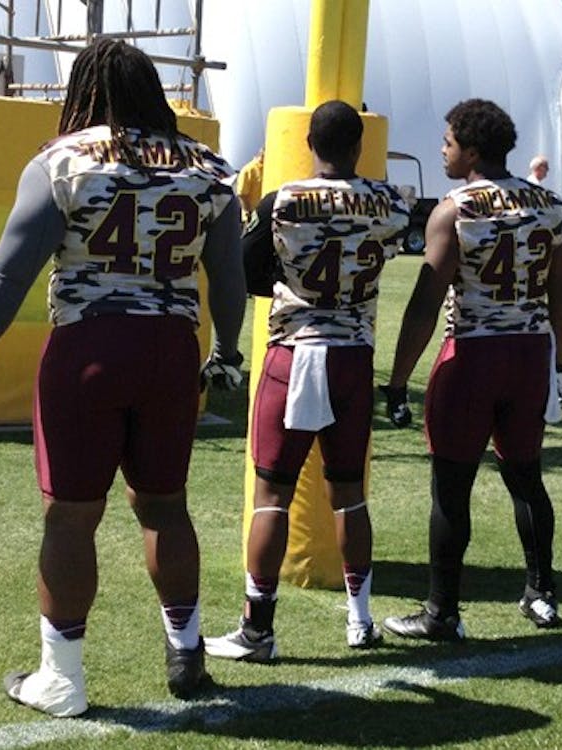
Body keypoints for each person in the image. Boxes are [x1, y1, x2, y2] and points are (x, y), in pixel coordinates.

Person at [0, 39, 247, 716]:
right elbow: (228, 277)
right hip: (171, 348)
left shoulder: (63, 160)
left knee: (71, 514)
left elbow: (6, 274)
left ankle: (63, 677)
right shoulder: (208, 167)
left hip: (90, 348)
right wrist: (227, 351)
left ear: (84, 91)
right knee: (165, 503)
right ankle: (185, 649)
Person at [204, 100, 410, 662]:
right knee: (349, 494)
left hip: (295, 352)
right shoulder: (389, 203)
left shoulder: (283, 202)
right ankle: (361, 620)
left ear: (310, 145)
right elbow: (394, 244)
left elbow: (246, 272)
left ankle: (257, 631)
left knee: (272, 494)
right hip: (352, 355)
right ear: (359, 146)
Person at [379, 98, 562, 641]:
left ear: (471, 149)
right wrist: (557, 360)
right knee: (526, 477)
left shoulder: (455, 208)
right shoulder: (550, 205)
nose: (442, 149)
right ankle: (542, 592)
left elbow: (425, 303)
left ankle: (442, 611)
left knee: (451, 485)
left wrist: (397, 381)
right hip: (530, 353)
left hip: (472, 354)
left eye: (448, 141)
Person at [234, 147, 265, 225]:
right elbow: (242, 195)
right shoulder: (249, 170)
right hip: (251, 216)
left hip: (264, 215)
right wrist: (249, 212)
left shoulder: (267, 168)